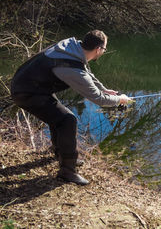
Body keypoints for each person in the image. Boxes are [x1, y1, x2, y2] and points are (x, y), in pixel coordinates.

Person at [11, 30, 131, 185]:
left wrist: (103, 88)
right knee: (67, 120)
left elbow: (85, 71)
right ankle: (67, 171)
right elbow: (98, 99)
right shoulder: (70, 66)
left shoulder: (72, 48)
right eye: (104, 49)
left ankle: (61, 154)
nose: (103, 52)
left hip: (31, 86)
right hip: (26, 93)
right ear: (99, 49)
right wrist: (120, 100)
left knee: (59, 117)